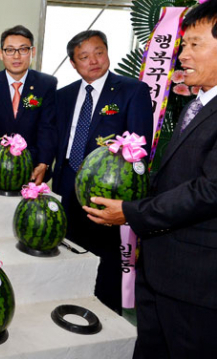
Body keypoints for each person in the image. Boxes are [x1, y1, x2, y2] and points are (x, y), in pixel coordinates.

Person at [85, 2, 217, 357]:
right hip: (163, 269)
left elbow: (209, 190)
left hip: (197, 281)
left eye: (194, 45)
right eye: (182, 45)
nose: (182, 55)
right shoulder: (197, 103)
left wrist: (131, 211)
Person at [52, 30, 153, 314]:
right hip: (66, 182)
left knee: (106, 256)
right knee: (68, 250)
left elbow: (138, 145)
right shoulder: (64, 95)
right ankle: (67, 303)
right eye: (84, 56)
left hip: (107, 188)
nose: (93, 60)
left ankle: (106, 314)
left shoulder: (132, 91)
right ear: (73, 63)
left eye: (99, 52)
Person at [0, 25, 57, 186]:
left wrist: (44, 163)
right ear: (1, 54)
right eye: (10, 50)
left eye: (23, 49)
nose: (16, 56)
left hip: (32, 169)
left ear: (32, 52)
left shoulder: (46, 84)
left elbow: (47, 127)